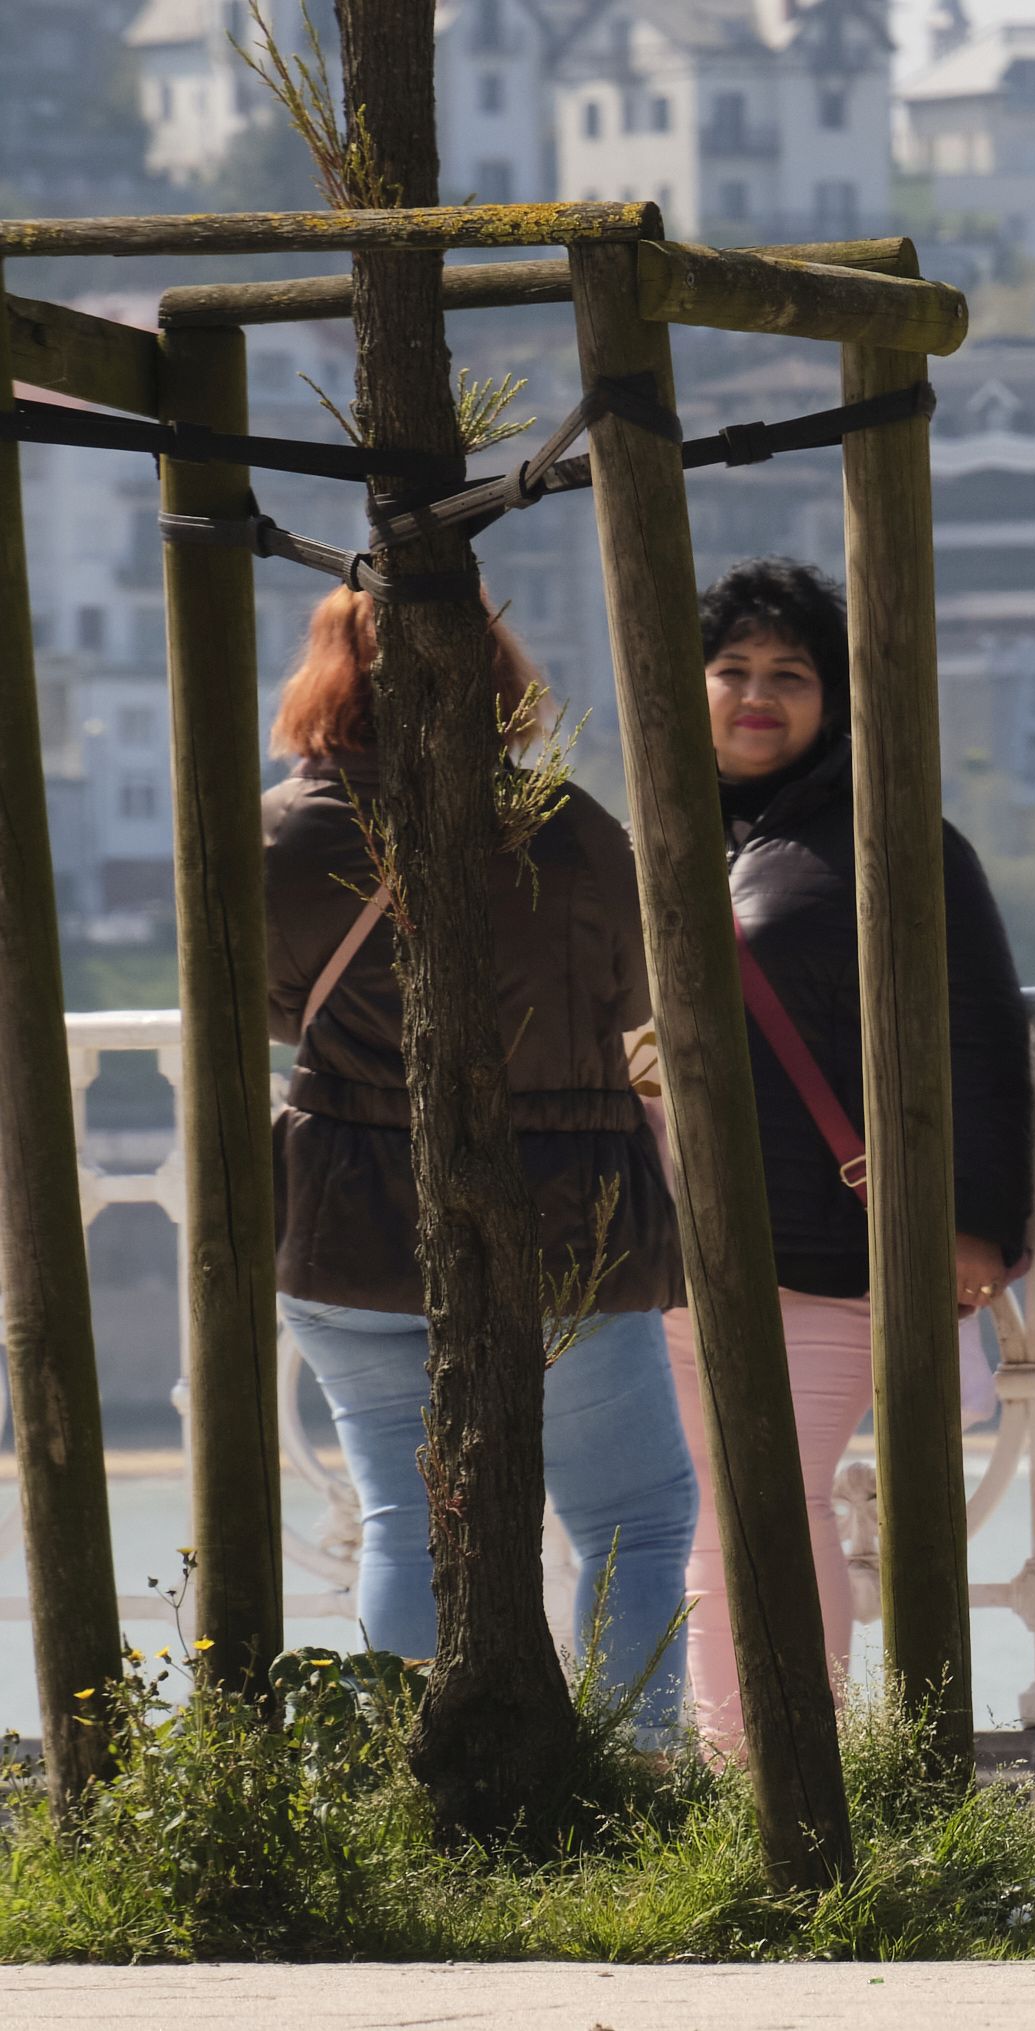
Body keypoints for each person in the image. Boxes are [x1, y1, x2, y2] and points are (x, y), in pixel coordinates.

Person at [260, 589, 697, 1738]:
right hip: (564, 1221)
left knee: (408, 1514)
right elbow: (650, 991)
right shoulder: (568, 827)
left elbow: (256, 999)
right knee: (633, 1521)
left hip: (345, 1226)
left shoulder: (290, 828)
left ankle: (426, 1778)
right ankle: (631, 1779)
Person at [660, 557, 1035, 1741]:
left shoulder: (892, 841)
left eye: (789, 675)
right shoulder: (674, 834)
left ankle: (781, 1772)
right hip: (665, 1253)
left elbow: (977, 1035)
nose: (755, 696)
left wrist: (977, 1220)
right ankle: (723, 1768)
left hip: (825, 1250)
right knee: (689, 1515)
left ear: (837, 699)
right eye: (730, 671)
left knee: (766, 1508)